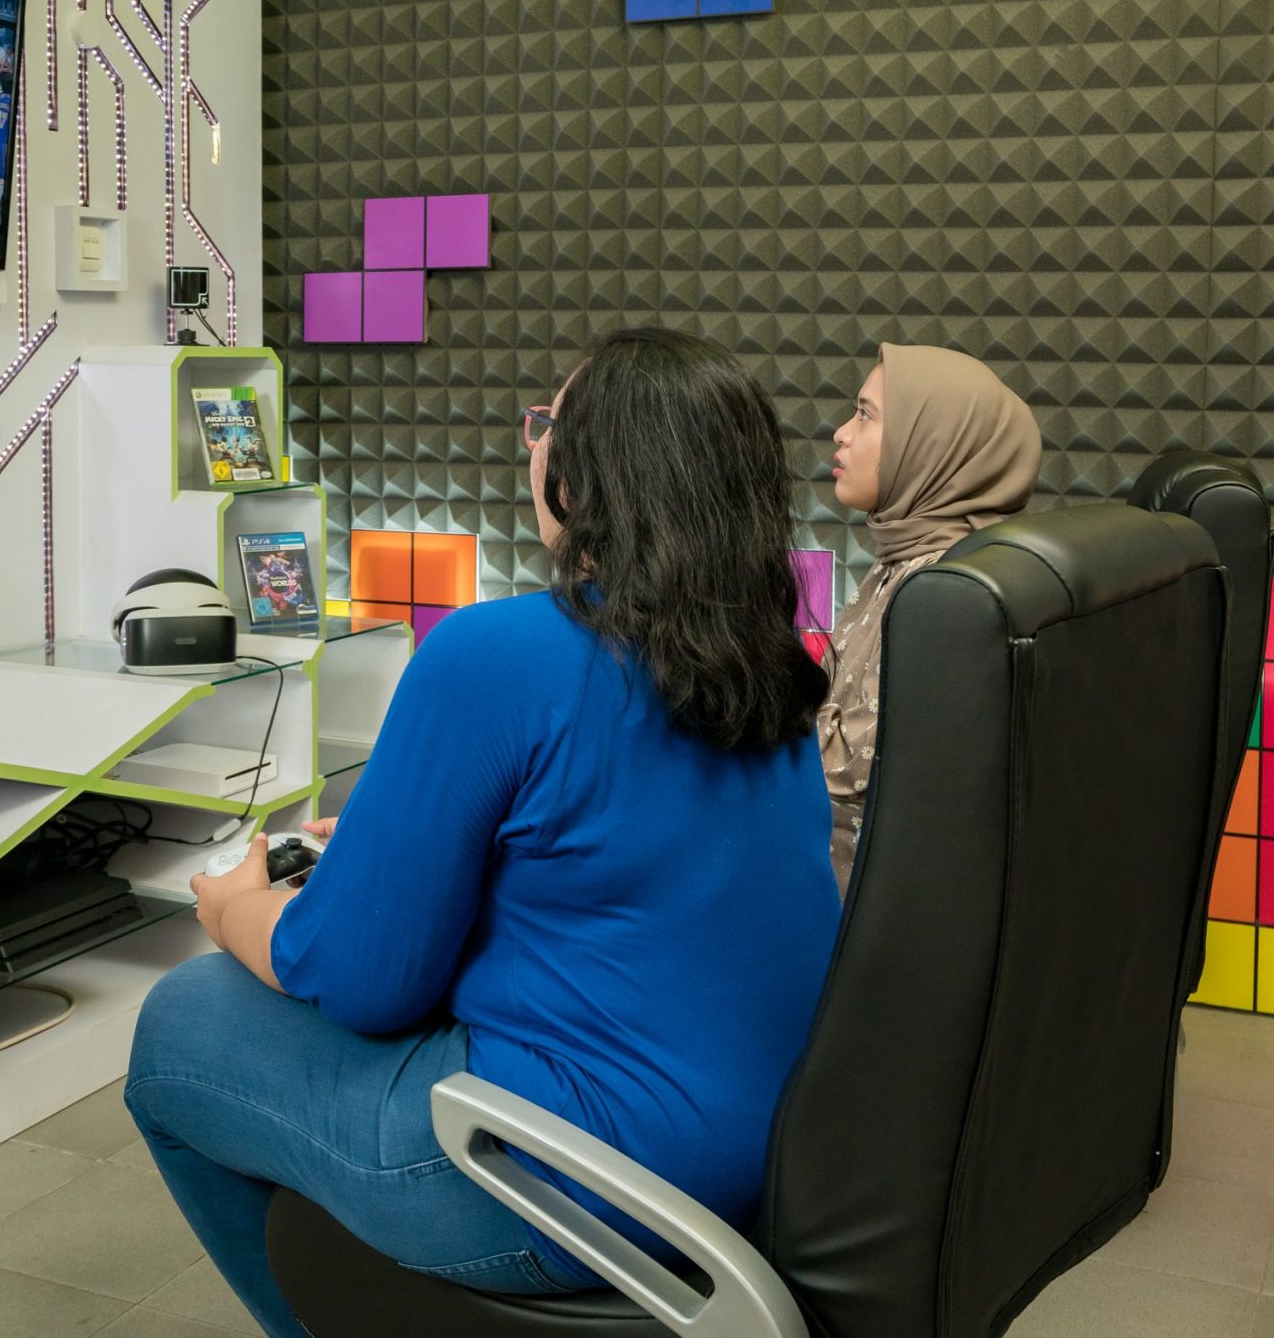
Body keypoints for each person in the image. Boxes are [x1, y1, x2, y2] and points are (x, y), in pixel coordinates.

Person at [125, 329, 839, 1338]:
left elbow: (368, 983)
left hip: (584, 1183)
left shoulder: (491, 652)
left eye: (547, 424)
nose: (531, 443)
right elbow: (621, 864)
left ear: (582, 478)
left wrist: (236, 907)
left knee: (184, 1019)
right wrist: (403, 838)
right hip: (778, 1154)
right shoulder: (772, 658)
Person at [818, 345, 1041, 891]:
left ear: (929, 447)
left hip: (849, 898)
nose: (841, 434)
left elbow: (848, 770)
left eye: (865, 415)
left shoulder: (939, 593)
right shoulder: (906, 560)